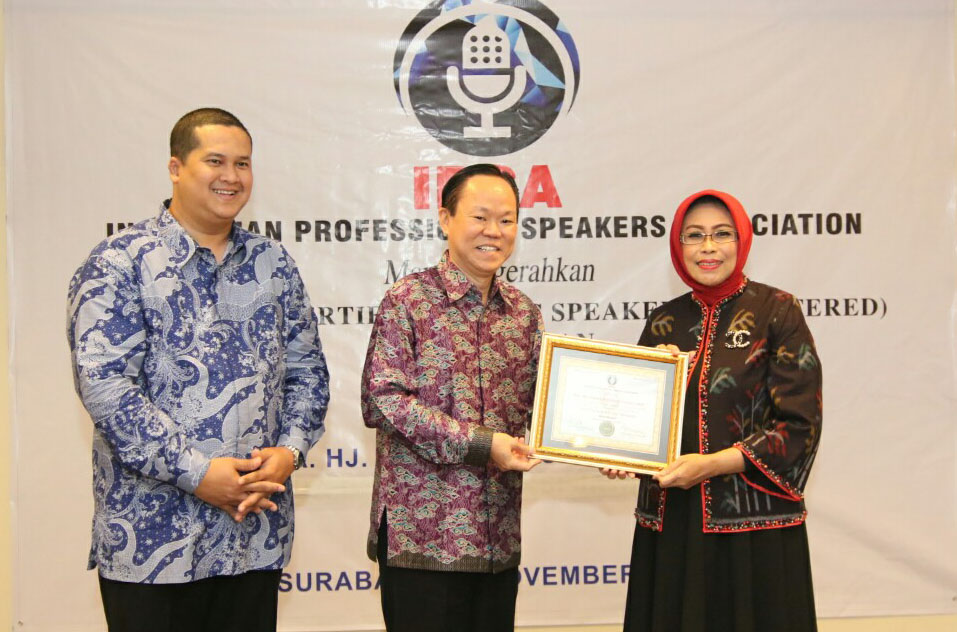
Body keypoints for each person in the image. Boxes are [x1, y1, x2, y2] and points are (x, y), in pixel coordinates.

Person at [67, 107, 330, 632]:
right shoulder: (119, 262)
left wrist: (291, 451)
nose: (231, 177)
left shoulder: (273, 264)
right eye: (215, 161)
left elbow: (309, 373)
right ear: (175, 167)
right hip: (153, 543)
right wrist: (199, 473)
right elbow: (106, 388)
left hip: (252, 538)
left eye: (243, 163)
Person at [605, 189, 822, 632]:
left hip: (754, 528)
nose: (708, 247)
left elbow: (799, 425)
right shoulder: (663, 321)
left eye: (721, 234)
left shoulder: (776, 310)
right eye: (694, 235)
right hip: (675, 526)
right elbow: (638, 421)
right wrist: (617, 454)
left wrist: (711, 466)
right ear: (677, 245)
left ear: (741, 239)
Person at [361, 164, 543, 632]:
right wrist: (485, 445)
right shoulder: (408, 300)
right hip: (423, 542)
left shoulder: (524, 313)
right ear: (445, 219)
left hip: (497, 539)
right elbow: (382, 400)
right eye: (480, 217)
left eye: (506, 220)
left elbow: (547, 407)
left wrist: (606, 442)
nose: (494, 231)